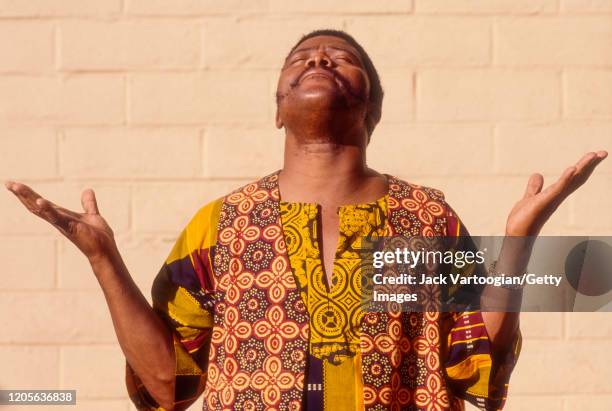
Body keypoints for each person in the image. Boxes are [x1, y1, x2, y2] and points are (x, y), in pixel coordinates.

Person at [5, 29, 607, 411]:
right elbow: (168, 385)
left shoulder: (425, 220)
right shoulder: (223, 224)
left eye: (342, 58)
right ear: (277, 110)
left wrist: (521, 240)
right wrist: (103, 260)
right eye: (302, 58)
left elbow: (476, 372)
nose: (320, 57)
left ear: (370, 108)